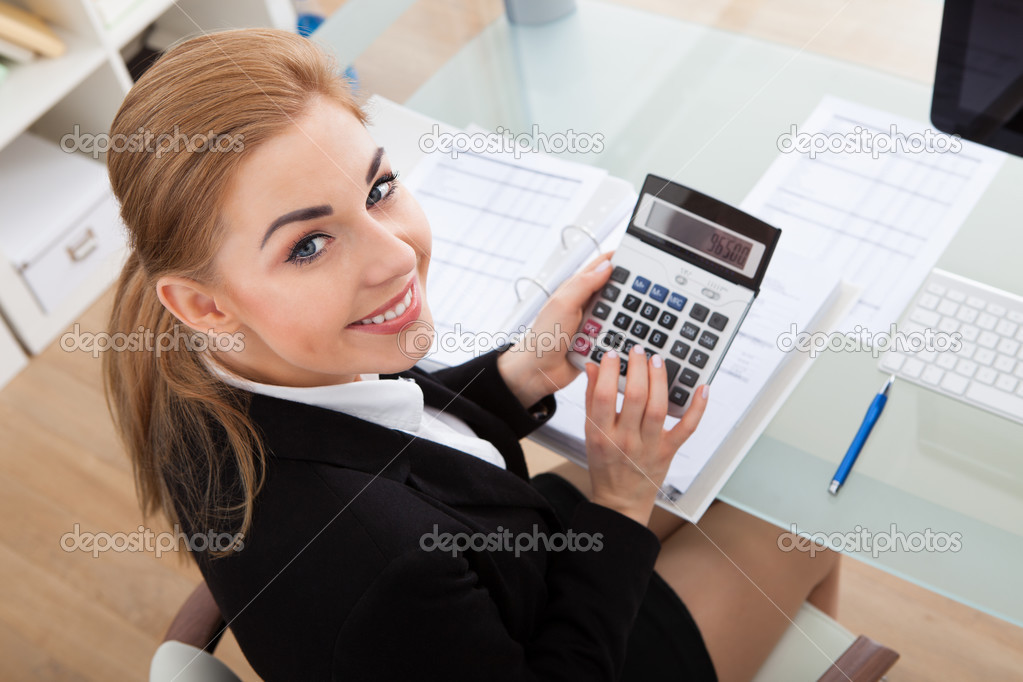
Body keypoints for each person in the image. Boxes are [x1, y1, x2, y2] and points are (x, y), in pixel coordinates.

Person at [104, 28, 839, 682]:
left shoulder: (216, 364)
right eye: (310, 244)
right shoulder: (381, 571)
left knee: (734, 475)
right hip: (549, 638)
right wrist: (620, 500)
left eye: (380, 189)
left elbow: (397, 440)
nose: (396, 256)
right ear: (202, 302)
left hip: (501, 566)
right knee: (799, 522)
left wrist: (523, 372)